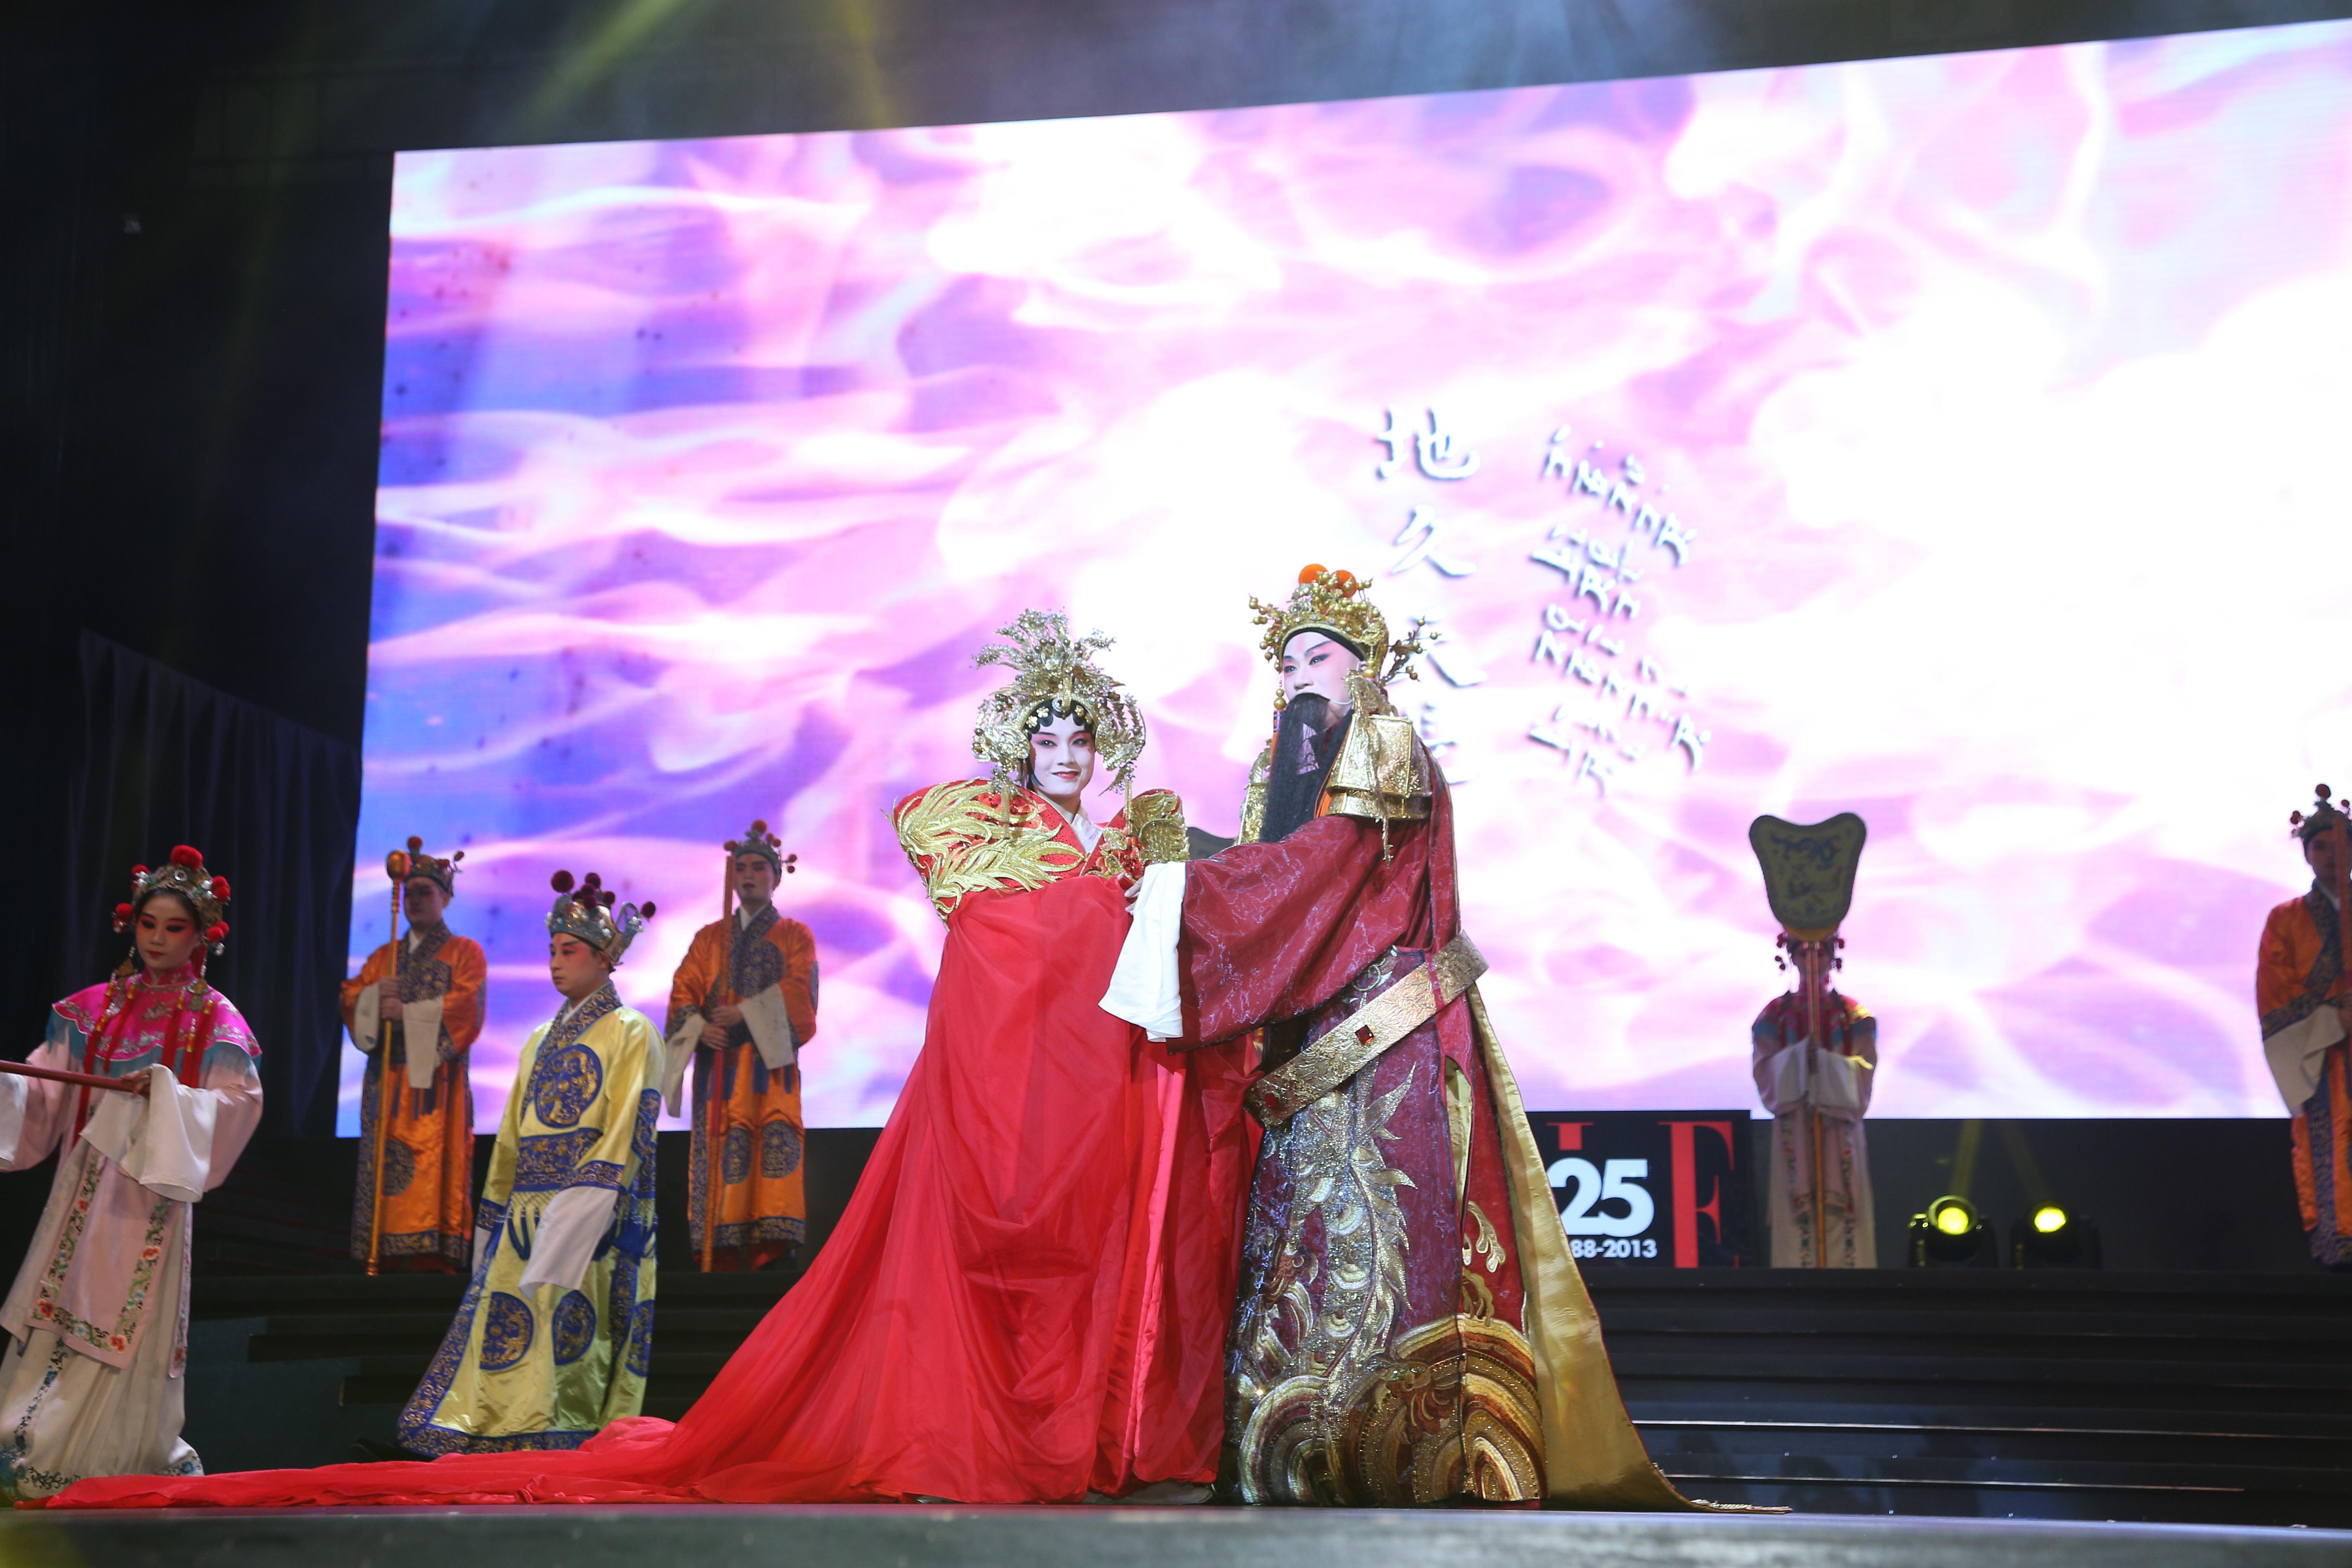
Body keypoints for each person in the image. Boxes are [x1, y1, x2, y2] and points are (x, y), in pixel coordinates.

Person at [52, 610, 1250, 1508]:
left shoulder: (1118, 850)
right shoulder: (978, 834)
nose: (1060, 749)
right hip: (984, 1091)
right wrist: (711, 1021)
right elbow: (988, 947)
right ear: (1015, 745)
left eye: (1078, 734)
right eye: (1042, 730)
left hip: (1038, 1091)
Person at [1104, 565, 1702, 1508]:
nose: (1298, 676)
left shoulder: (1380, 743)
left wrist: (1191, 888)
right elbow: (1284, 867)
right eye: (1287, 663)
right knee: (1311, 1249)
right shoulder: (1298, 774)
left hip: (1391, 1042)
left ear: (1365, 667)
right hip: (1324, 1037)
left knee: (1393, 1244)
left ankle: (1412, 1456)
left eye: (1318, 657)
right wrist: (1183, 866)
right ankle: (1300, 1451)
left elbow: (1322, 870)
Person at [0, 847, 262, 1500]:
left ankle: (104, 1450)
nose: (158, 939)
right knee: (58, 1308)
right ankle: (32, 1437)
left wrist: (169, 1094)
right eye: (149, 924)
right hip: (78, 1193)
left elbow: (238, 1104)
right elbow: (46, 1087)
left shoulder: (215, 1020)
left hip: (150, 1199)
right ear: (132, 924)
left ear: (201, 936)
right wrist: (12, 1085)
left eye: (175, 928)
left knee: (123, 1316)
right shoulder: (95, 1008)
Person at [394, 871, 660, 1454]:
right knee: (510, 1322)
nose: (556, 963)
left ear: (605, 959)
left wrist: (587, 1203)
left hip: (588, 1206)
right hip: (525, 1208)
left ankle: (559, 1430)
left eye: (570, 952)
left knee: (570, 1323)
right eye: (552, 951)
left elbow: (628, 1127)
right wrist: (497, 1211)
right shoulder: (539, 1039)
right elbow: (511, 1139)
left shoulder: (632, 1030)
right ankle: (500, 1428)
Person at [661, 822, 818, 1272]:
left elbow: (801, 994)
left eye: (758, 868)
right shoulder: (708, 939)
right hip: (720, 1072)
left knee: (770, 1140)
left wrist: (745, 1013)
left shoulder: (795, 934)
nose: (748, 875)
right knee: (720, 1150)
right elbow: (684, 990)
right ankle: (721, 1247)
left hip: (770, 1071)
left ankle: (772, 1243)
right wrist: (698, 1027)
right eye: (740, 868)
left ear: (776, 877)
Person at [343, 838, 486, 1273]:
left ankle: (434, 1250)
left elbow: (467, 1007)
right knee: (386, 1165)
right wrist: (372, 997)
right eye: (410, 893)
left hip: (436, 1088)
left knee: (434, 1164)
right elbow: (349, 997)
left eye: (426, 892)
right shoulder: (384, 957)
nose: (416, 900)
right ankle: (380, 1248)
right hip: (386, 1083)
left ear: (446, 897)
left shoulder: (465, 953)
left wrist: (404, 1013)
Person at [2259, 787, 2352, 1268]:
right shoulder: (2286, 919)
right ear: (2307, 854)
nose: (2333, 856)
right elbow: (2276, 993)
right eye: (2321, 847)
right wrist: (2335, 1017)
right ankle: (2340, 1239)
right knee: (2330, 1134)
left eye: (2343, 846)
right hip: (2324, 1054)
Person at [1750, 936, 1877, 1268]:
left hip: (1839, 1125)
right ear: (1790, 956)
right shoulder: (1774, 1016)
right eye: (1803, 950)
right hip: (1795, 1122)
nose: (1812, 957)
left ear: (1832, 956)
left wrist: (1825, 1065)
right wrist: (1797, 1061)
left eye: (1820, 950)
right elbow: (1765, 1071)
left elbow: (1864, 1072)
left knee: (1844, 1214)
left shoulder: (1853, 1015)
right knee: (1796, 1220)